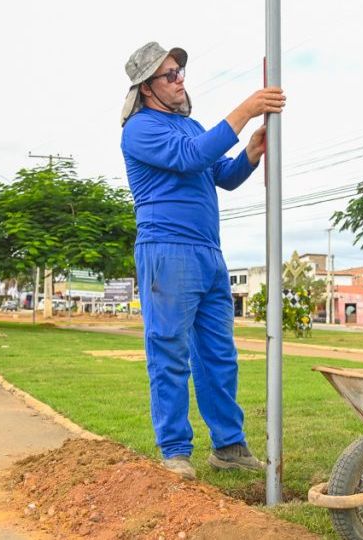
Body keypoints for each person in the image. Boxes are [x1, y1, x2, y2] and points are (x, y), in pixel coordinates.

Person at [120, 41, 285, 480]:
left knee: (219, 355)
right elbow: (192, 157)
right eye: (169, 74)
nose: (180, 80)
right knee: (170, 351)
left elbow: (221, 175)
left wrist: (250, 153)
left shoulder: (190, 126)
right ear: (147, 87)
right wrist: (246, 109)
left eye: (180, 72)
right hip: (167, 249)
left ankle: (228, 446)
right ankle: (175, 450)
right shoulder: (140, 129)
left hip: (209, 252)